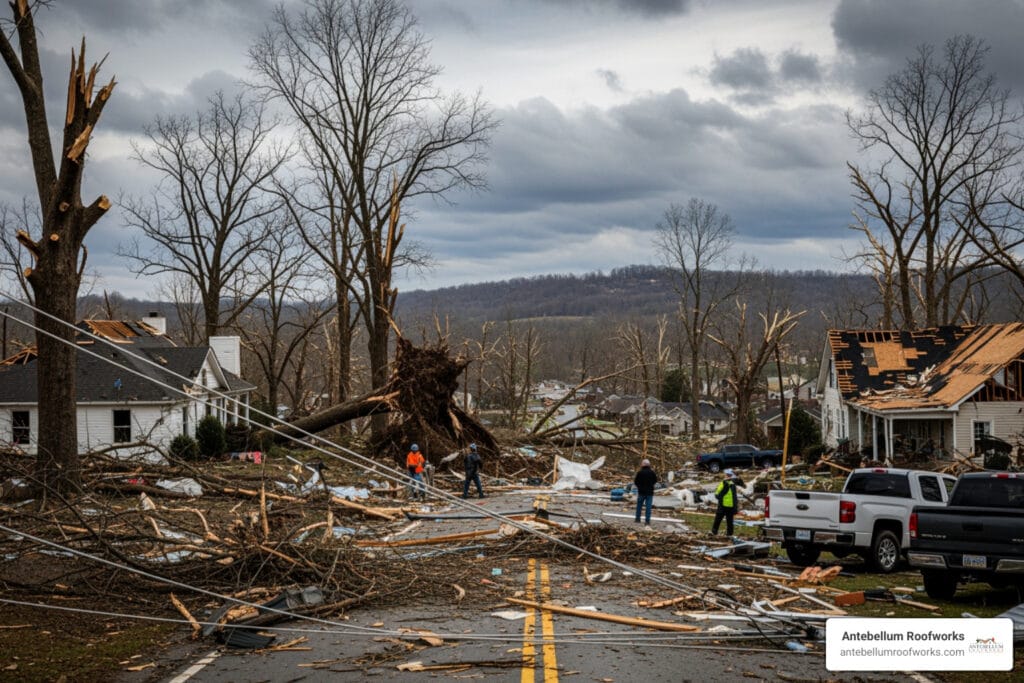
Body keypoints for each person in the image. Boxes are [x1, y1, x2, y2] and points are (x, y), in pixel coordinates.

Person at [711, 468, 738, 536]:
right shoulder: (722, 484)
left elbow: (734, 497)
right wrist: (720, 496)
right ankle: (714, 532)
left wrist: (735, 507)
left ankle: (729, 535)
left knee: (730, 522)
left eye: (729, 475)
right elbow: (717, 494)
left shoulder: (733, 485)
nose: (728, 477)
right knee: (718, 519)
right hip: (722, 506)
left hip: (730, 507)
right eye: (727, 475)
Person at [633, 458, 658, 525]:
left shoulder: (640, 473)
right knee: (648, 507)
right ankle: (647, 521)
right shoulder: (652, 473)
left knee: (639, 506)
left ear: (643, 464)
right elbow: (655, 481)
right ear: (649, 465)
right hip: (649, 492)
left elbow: (636, 482)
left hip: (641, 492)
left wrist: (639, 487)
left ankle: (637, 519)